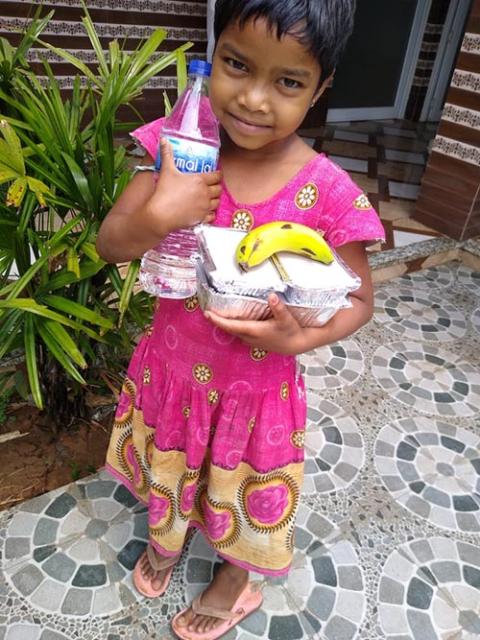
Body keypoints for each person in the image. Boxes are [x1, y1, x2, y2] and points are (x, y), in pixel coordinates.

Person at [96, 1, 385, 638]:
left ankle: (235, 577)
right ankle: (166, 543)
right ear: (211, 53)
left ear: (321, 87)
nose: (254, 99)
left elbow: (359, 300)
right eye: (236, 65)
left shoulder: (327, 190)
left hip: (257, 392)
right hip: (173, 367)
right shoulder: (181, 146)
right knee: (170, 471)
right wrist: (158, 214)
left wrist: (300, 333)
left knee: (240, 489)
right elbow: (110, 243)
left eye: (288, 81)